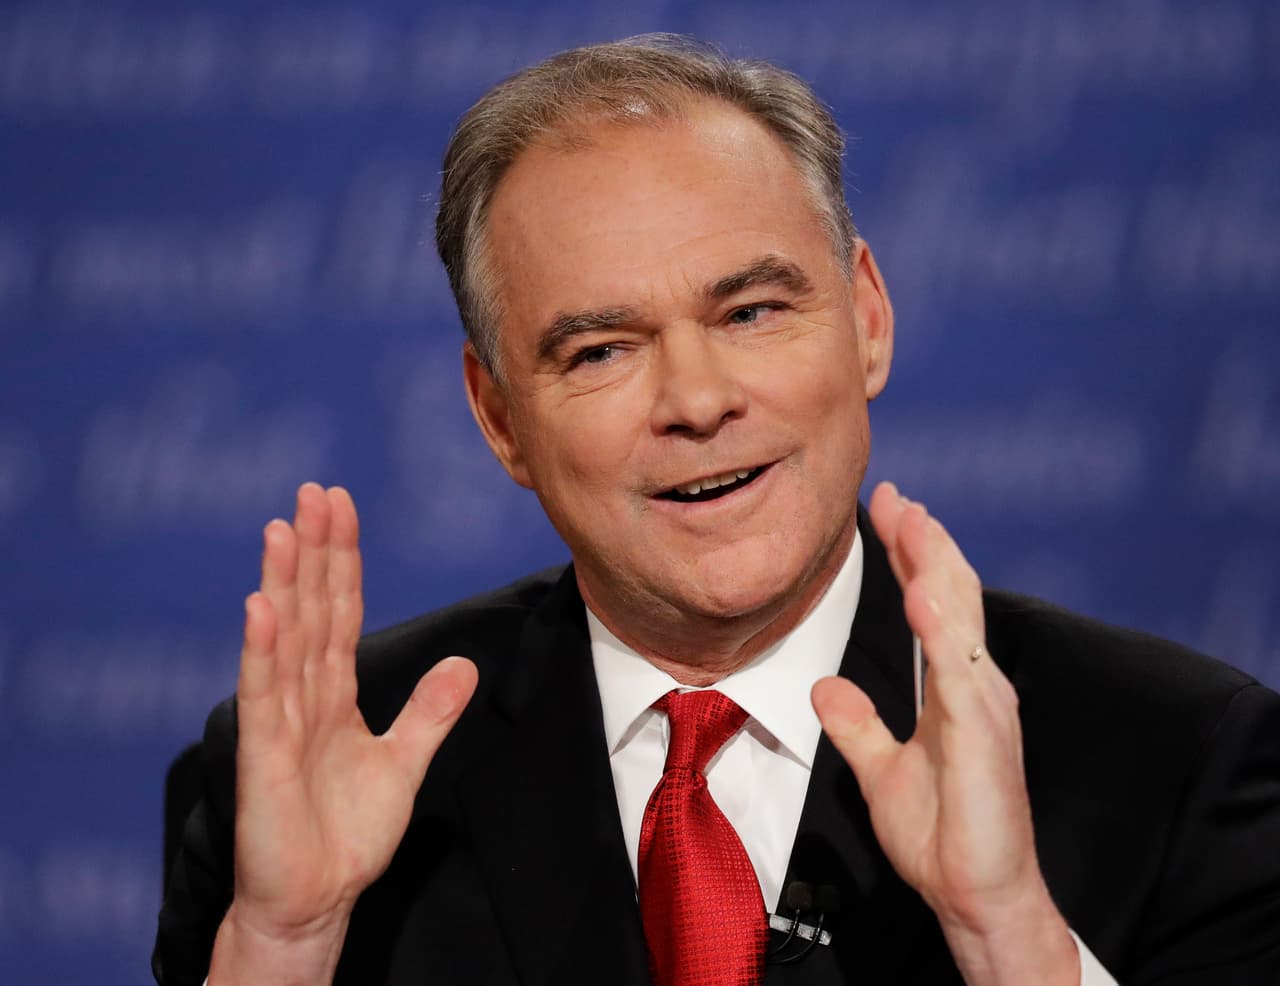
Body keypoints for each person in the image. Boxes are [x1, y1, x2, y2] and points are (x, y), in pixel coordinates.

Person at [153, 35, 1280, 986]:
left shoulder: (1179, 763)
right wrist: (283, 946)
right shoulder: (301, 780)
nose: (696, 401)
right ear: (498, 416)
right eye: (600, 350)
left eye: (750, 312)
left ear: (867, 318)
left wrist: (1007, 936)